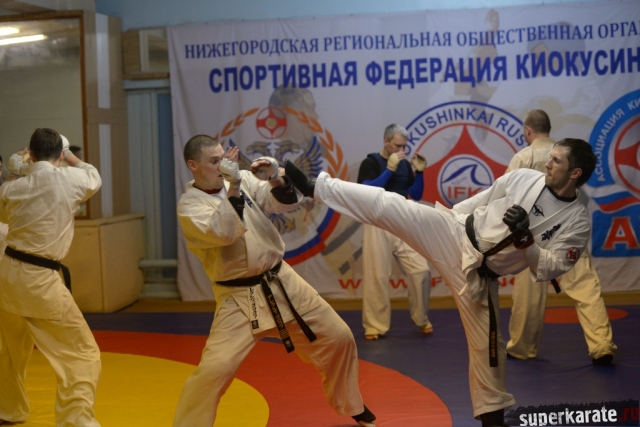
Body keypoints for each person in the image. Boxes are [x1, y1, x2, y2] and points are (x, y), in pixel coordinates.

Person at [285, 138, 597, 427]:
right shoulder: (527, 178)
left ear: (575, 173)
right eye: (551, 157)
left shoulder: (576, 222)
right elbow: (487, 196)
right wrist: (453, 217)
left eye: (556, 161)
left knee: (489, 352)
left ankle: (492, 420)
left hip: (479, 276)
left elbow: (551, 268)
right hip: (456, 233)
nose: (548, 163)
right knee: (390, 204)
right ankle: (315, 187)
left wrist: (526, 241)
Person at [173, 135, 376, 427]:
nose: (223, 166)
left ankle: (351, 403)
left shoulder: (242, 179)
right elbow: (224, 232)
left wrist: (274, 179)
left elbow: (284, 203)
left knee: (339, 336)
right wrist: (234, 185)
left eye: (224, 159)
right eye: (214, 162)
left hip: (282, 281)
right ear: (193, 165)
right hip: (238, 298)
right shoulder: (190, 206)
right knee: (214, 370)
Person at [0, 128, 102, 426]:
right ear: (60, 154)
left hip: (7, 275)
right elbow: (92, 175)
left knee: (10, 348)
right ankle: (75, 422)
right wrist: (69, 155)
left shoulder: (10, 190)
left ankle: (7, 409)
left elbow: (5, 216)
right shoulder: (70, 179)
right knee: (81, 354)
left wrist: (23, 168)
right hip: (39, 280)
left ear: (30, 154)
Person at [505, 110, 616, 365]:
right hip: (569, 228)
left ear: (528, 131)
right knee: (586, 288)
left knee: (529, 293)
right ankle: (601, 345)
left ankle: (522, 347)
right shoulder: (568, 154)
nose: (550, 164)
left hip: (534, 235)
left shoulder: (524, 156)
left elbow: (507, 196)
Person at [357, 124, 433, 340]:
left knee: (421, 270)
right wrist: (388, 170)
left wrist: (419, 172)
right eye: (397, 145)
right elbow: (365, 191)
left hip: (402, 220)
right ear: (386, 142)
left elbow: (415, 194)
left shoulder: (404, 165)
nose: (401, 150)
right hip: (377, 221)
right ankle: (374, 325)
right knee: (377, 276)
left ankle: (421, 318)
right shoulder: (371, 162)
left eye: (404, 146)